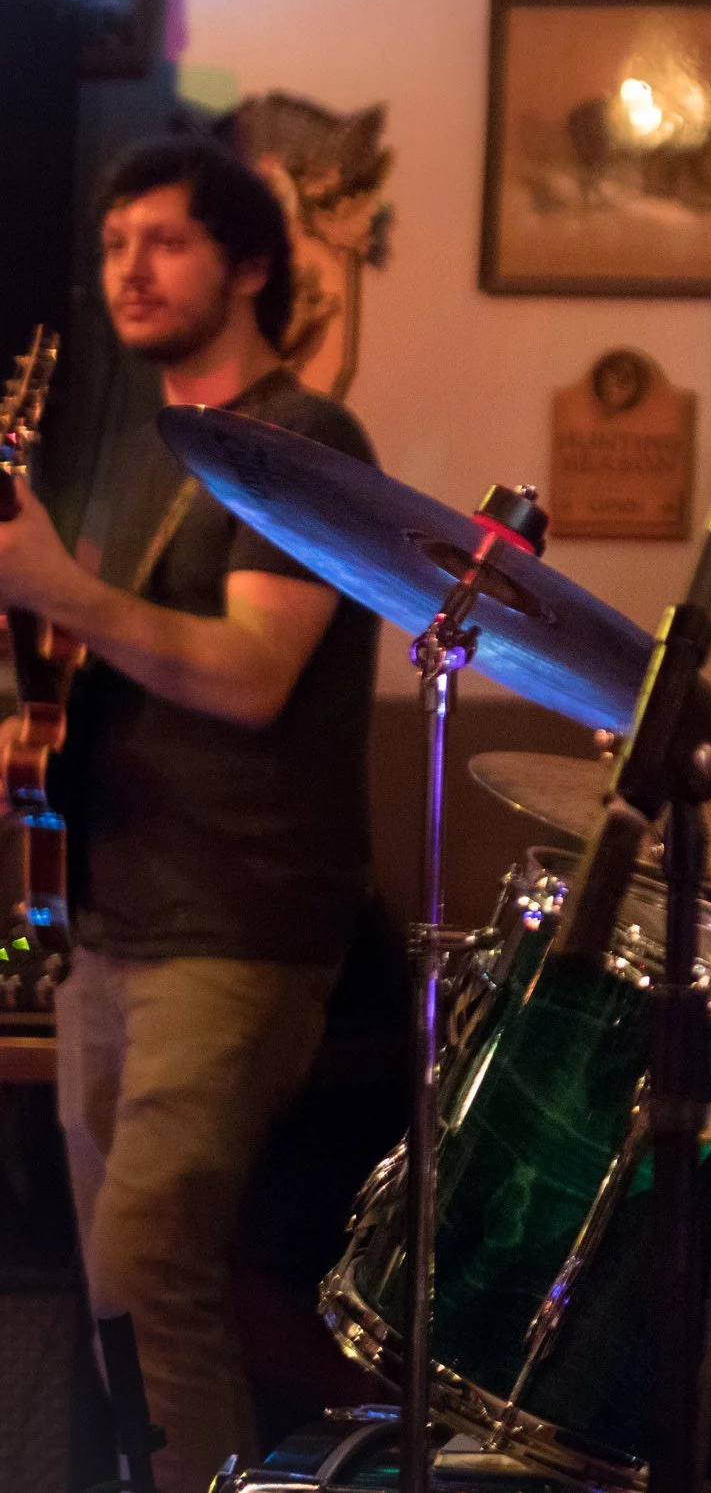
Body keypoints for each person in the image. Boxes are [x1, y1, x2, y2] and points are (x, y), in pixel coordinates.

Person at [0, 137, 382, 1493]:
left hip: (236, 925)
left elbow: (253, 672)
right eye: (114, 245)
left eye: (164, 240)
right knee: (114, 1289)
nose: (130, 268)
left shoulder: (303, 438)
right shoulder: (146, 455)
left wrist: (64, 587)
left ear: (253, 264)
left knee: (153, 1255)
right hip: (114, 920)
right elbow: (139, 665)